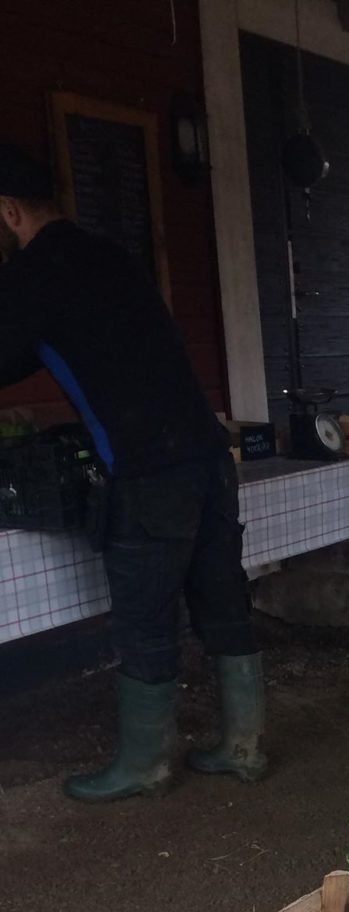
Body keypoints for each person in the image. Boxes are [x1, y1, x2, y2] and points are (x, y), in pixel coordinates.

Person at [0, 143, 266, 800]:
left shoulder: (35, 274)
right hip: (208, 456)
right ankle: (244, 748)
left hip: (149, 474)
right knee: (221, 597)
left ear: (8, 214)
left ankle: (145, 764)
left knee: (144, 619)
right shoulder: (112, 256)